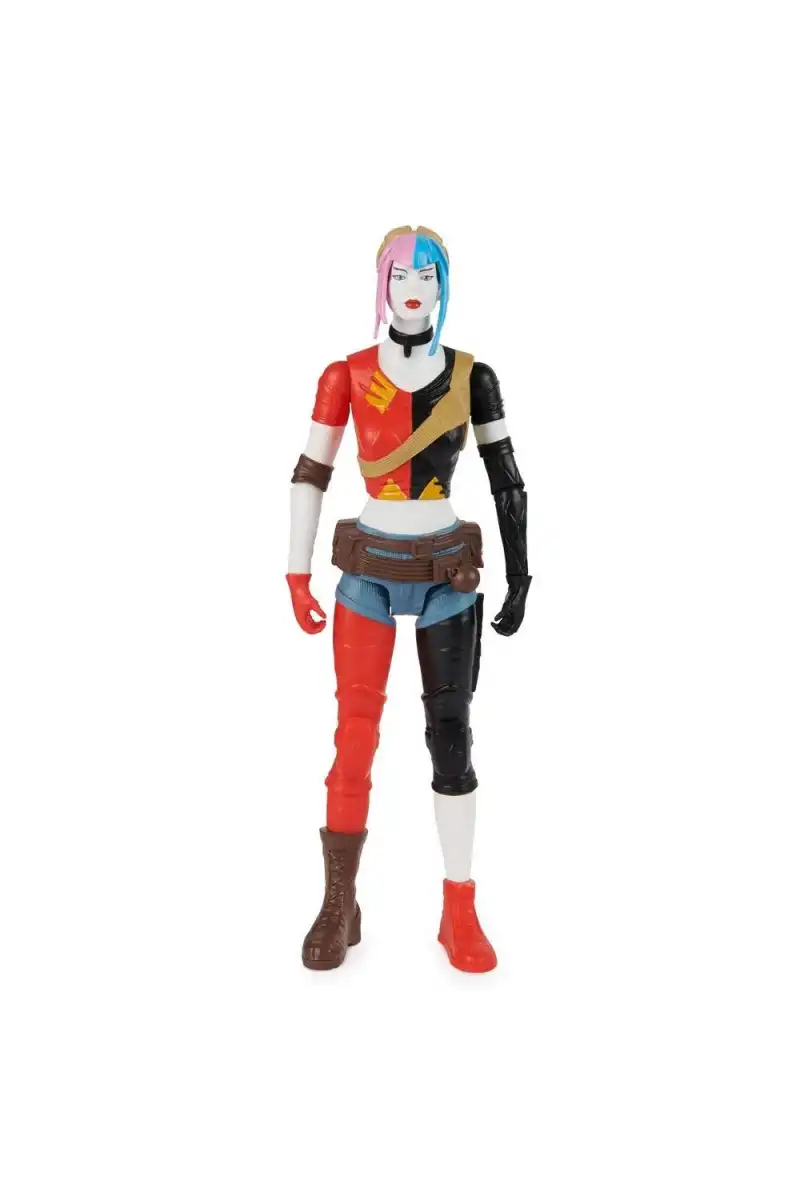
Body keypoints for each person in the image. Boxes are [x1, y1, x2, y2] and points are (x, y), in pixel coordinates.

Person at [287, 225, 530, 972]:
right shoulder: (348, 374)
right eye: (400, 275)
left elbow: (505, 477)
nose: (413, 288)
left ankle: (460, 906)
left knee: (451, 738)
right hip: (367, 569)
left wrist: (521, 572)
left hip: (447, 574)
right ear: (382, 284)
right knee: (354, 737)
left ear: (443, 286)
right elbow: (311, 471)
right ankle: (339, 900)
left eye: (428, 275)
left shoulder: (472, 377)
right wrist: (296, 571)